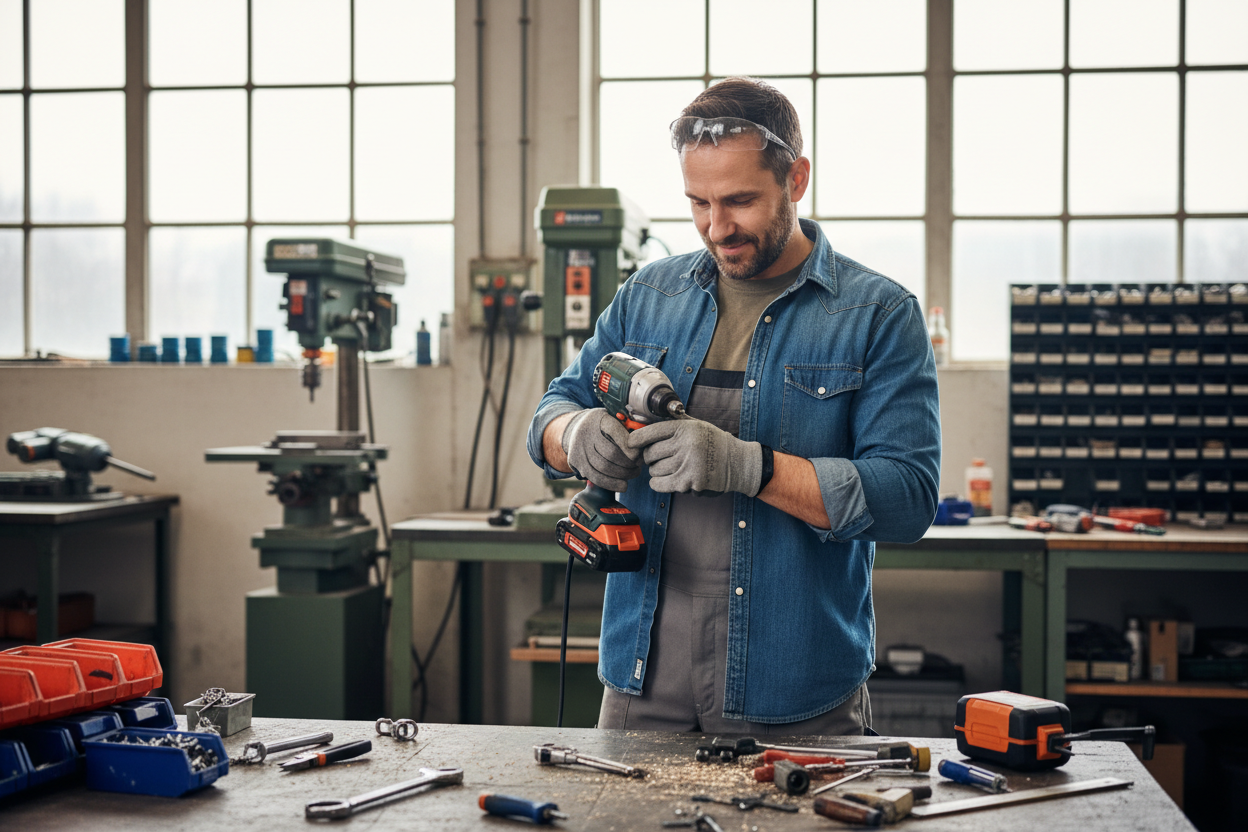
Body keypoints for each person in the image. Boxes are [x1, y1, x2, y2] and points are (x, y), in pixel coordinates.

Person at [526, 77, 940, 734]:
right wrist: (575, 433)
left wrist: (753, 469)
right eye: (698, 203)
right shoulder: (649, 296)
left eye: (741, 201)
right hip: (641, 686)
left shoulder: (877, 315)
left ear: (796, 179)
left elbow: (908, 498)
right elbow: (548, 413)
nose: (718, 228)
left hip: (796, 694)